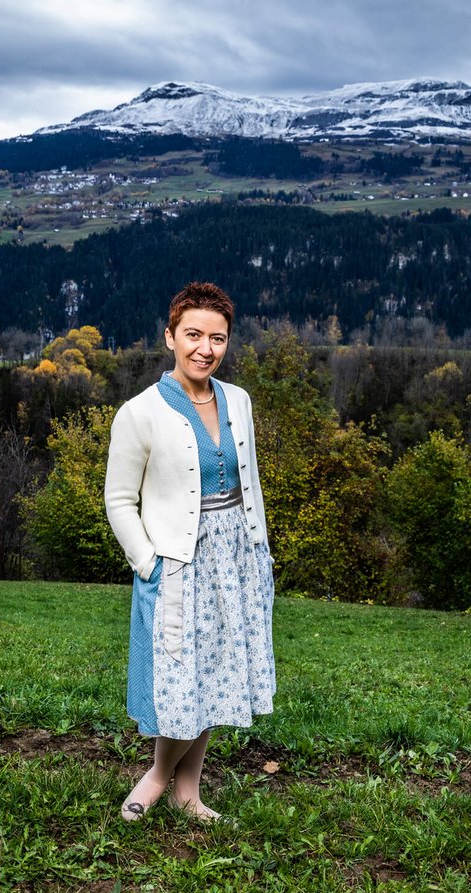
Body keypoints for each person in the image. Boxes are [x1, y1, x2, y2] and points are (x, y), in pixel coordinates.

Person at [104, 281, 276, 823]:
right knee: (182, 676)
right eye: (194, 335)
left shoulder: (238, 401)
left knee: (215, 675)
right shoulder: (140, 412)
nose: (206, 348)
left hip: (236, 558)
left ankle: (189, 794)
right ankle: (157, 778)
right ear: (170, 336)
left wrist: (259, 552)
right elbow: (118, 500)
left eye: (218, 338)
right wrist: (148, 562)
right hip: (179, 562)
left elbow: (249, 481)